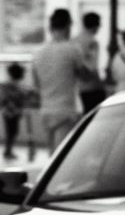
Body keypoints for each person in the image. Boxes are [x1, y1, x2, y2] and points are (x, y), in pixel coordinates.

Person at [31, 9, 93, 151]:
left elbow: (35, 84)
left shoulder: (38, 52)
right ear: (68, 26)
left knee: (51, 156)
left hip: (46, 110)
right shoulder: (72, 49)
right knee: (62, 155)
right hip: (66, 110)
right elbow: (86, 77)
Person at [75, 11, 107, 112]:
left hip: (78, 87)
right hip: (92, 87)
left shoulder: (74, 40)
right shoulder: (92, 42)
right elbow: (92, 67)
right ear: (95, 25)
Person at [1, 63, 31, 160]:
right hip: (10, 112)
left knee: (12, 132)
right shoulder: (12, 86)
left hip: (12, 112)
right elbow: (6, 99)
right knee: (11, 132)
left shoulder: (11, 85)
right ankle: (8, 151)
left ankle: (8, 150)